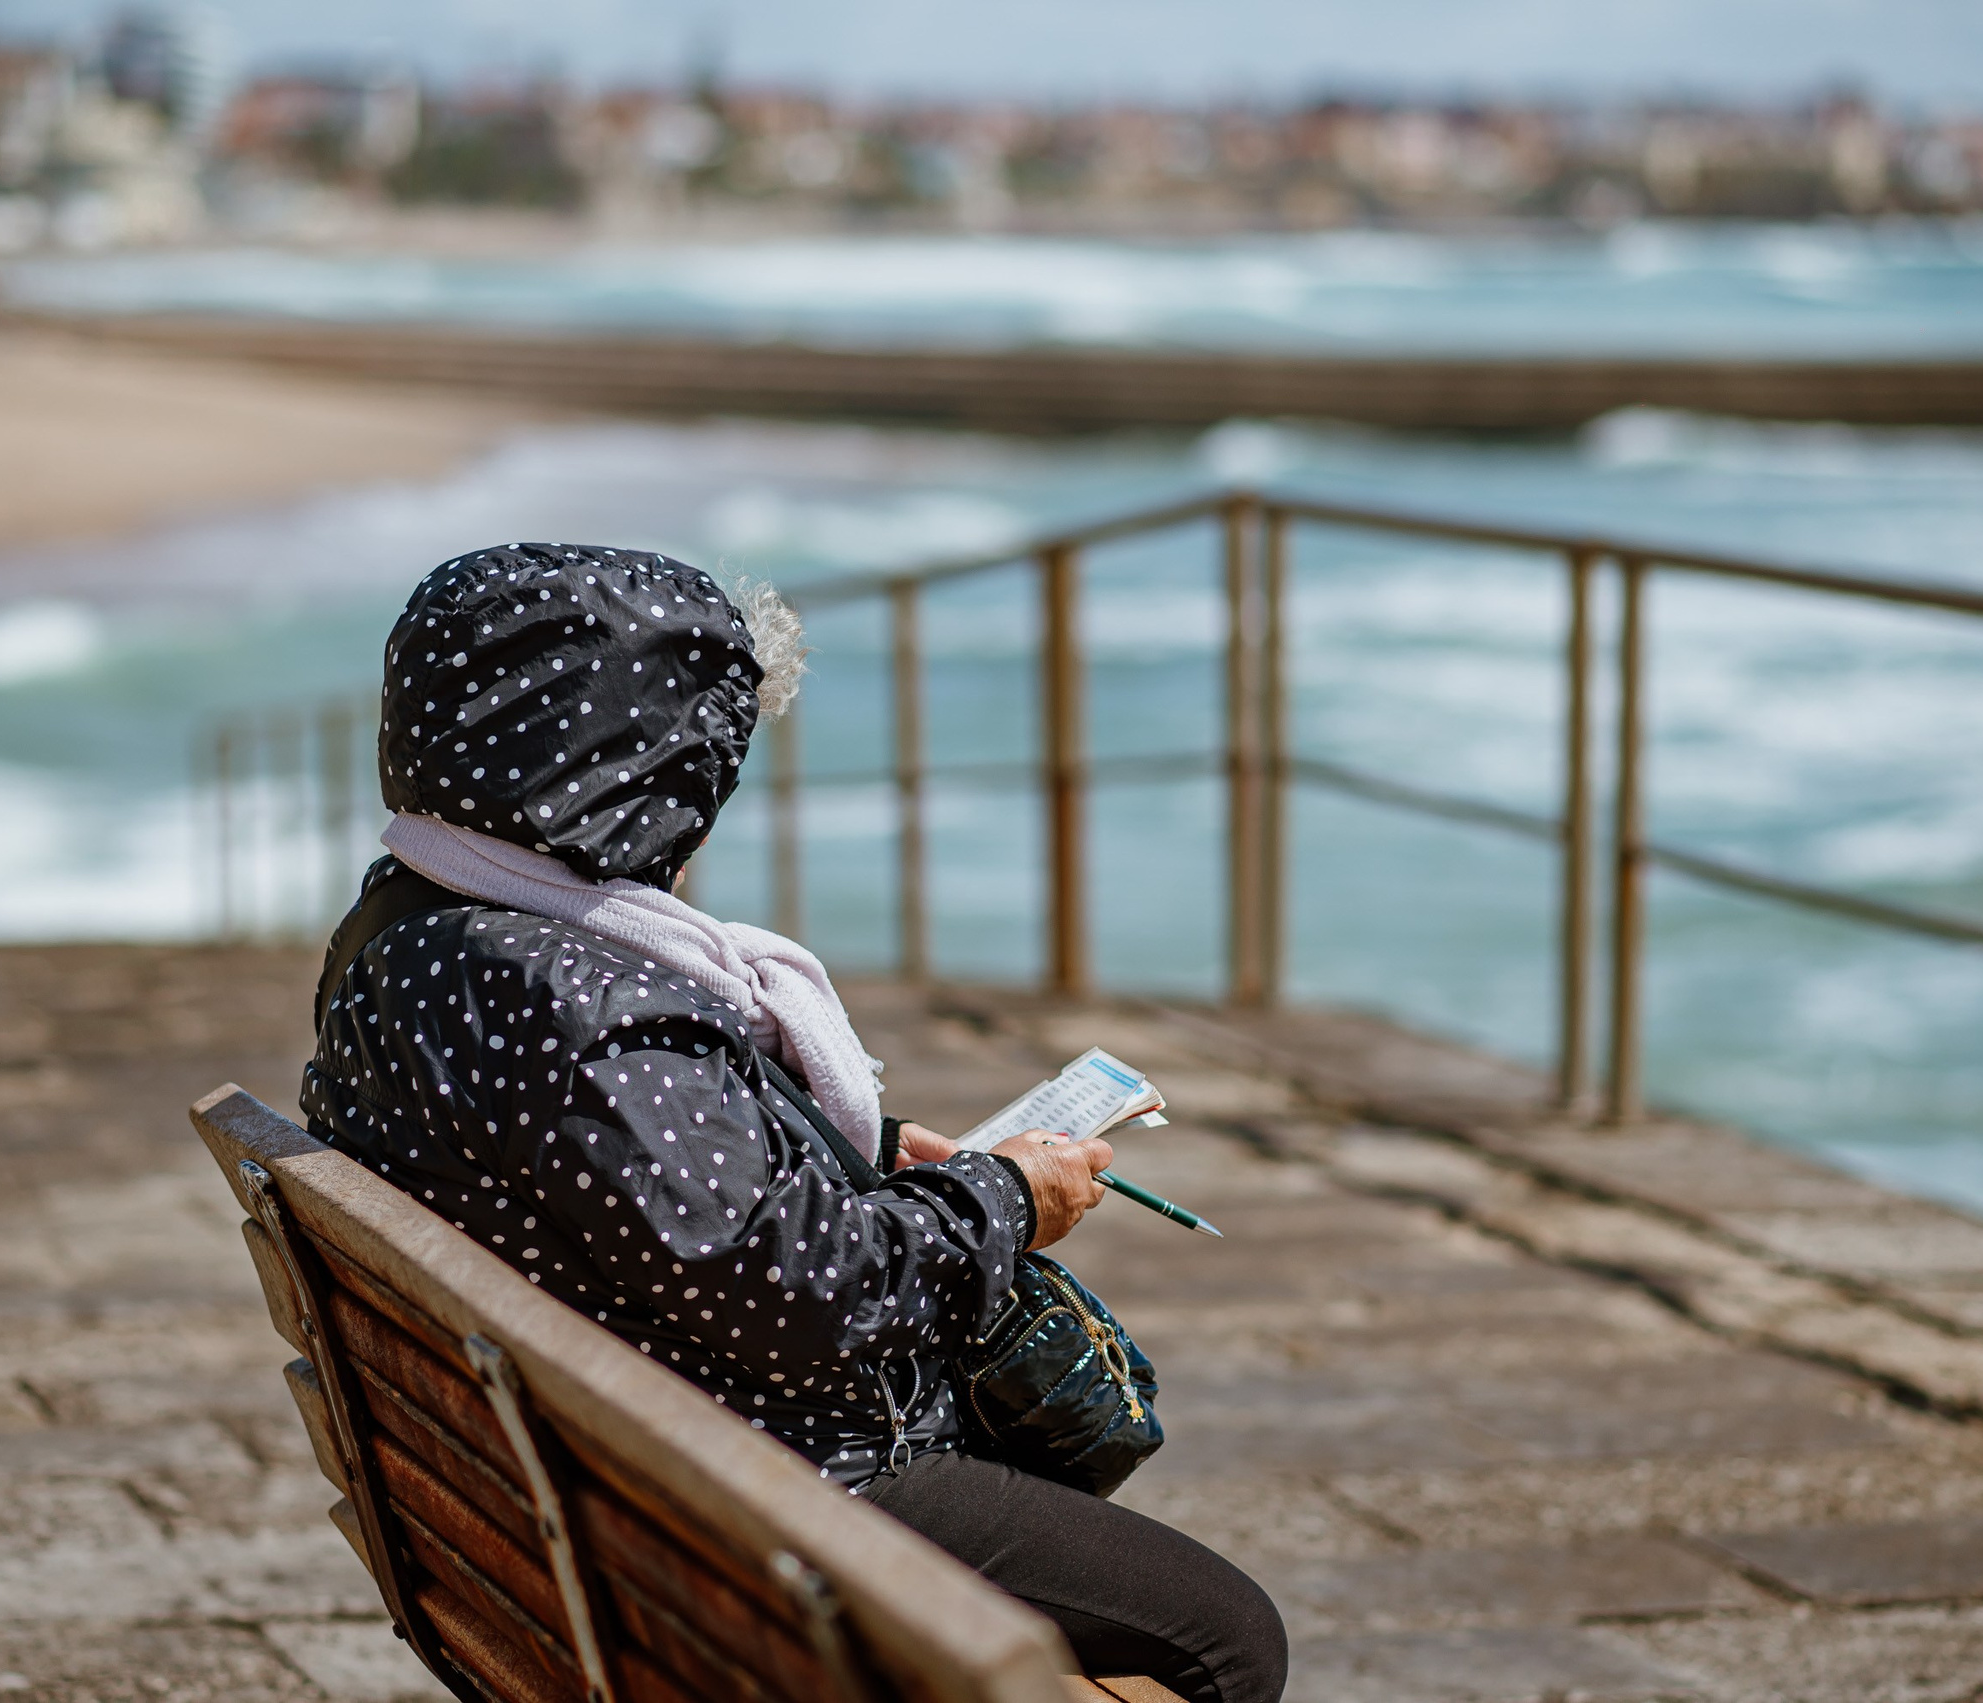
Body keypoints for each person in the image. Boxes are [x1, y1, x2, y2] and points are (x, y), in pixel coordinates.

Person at [301, 543, 1288, 1703]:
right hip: (747, 1488)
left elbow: (596, 1165)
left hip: (552, 1482)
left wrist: (857, 1145)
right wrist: (1010, 1196)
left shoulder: (411, 926)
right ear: (640, 768)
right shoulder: (585, 998)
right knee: (1224, 1640)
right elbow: (807, 1292)